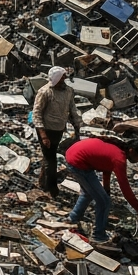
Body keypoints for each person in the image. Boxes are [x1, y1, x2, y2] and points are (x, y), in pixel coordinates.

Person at [63, 135, 138, 243]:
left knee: (88, 193)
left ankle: (72, 218)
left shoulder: (117, 149)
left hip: (72, 154)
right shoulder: (119, 158)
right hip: (78, 162)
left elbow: (107, 168)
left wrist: (106, 189)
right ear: (132, 151)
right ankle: (98, 235)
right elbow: (126, 189)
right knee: (104, 202)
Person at [35, 66, 84, 196]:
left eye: (64, 78)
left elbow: (72, 109)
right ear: (55, 79)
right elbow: (37, 114)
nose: (64, 81)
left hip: (59, 129)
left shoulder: (68, 91)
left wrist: (77, 125)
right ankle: (52, 188)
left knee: (49, 157)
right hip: (46, 129)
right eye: (61, 78)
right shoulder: (45, 92)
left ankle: (42, 181)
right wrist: (43, 136)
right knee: (51, 159)